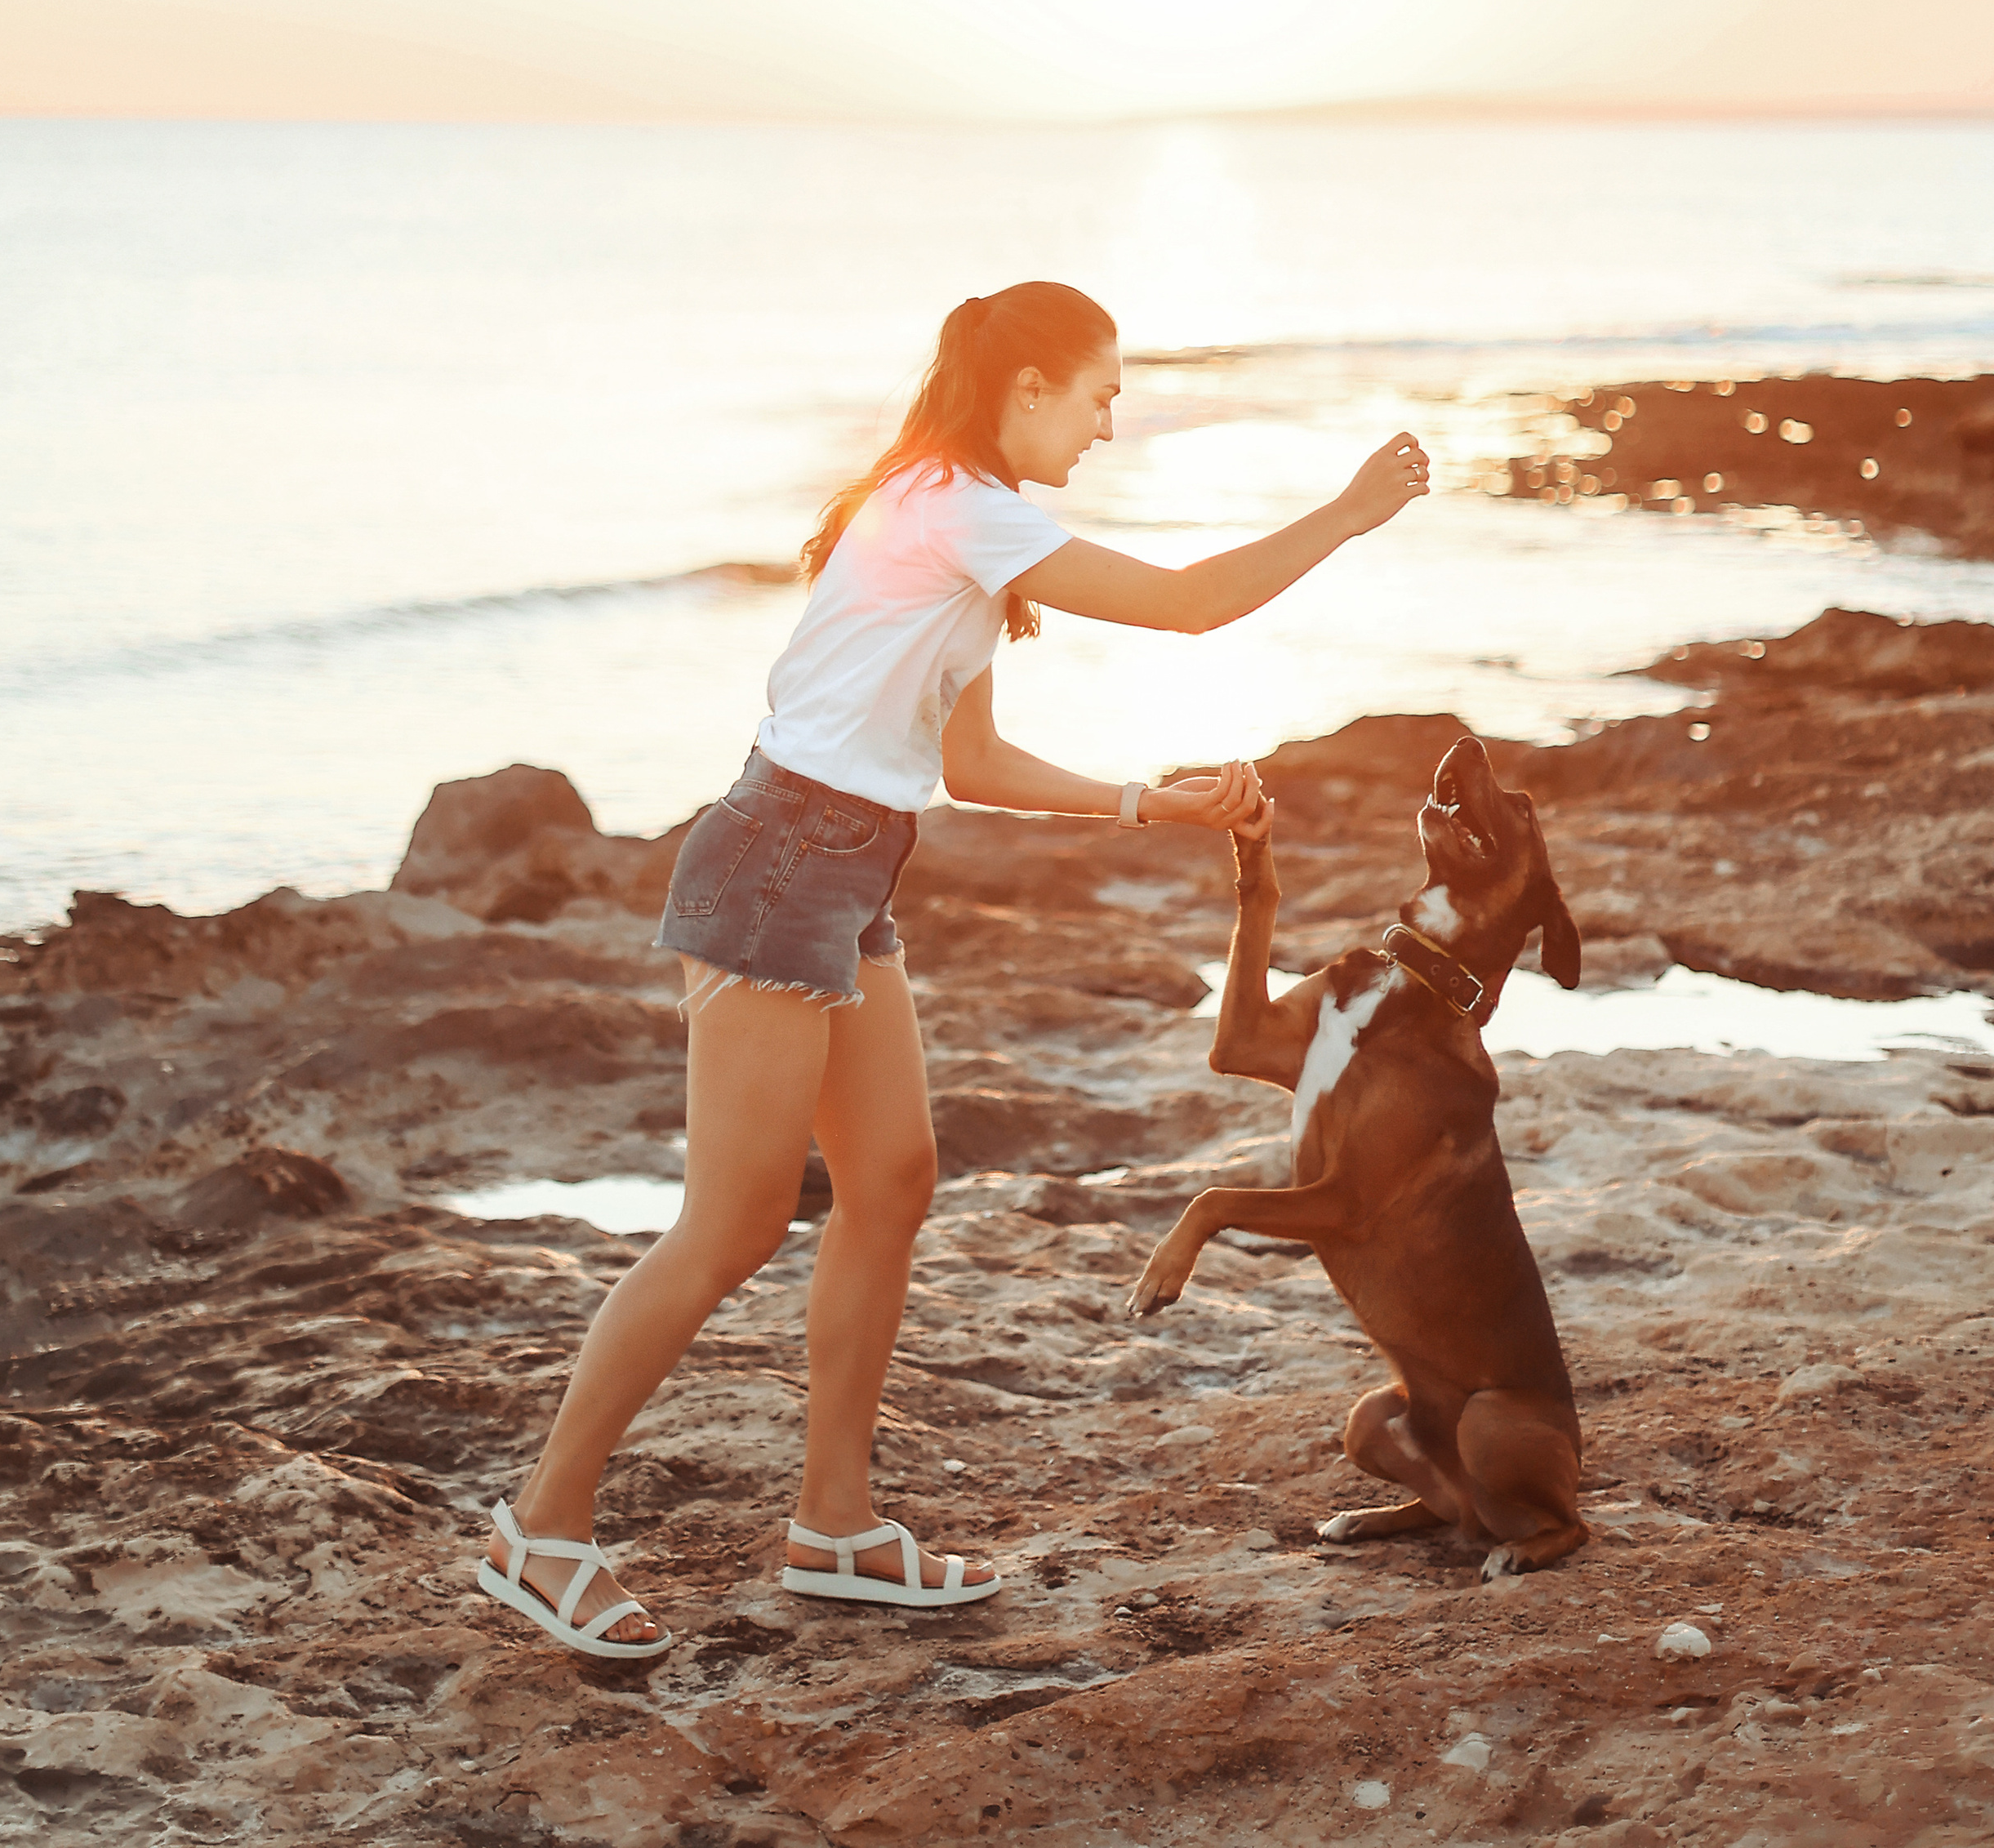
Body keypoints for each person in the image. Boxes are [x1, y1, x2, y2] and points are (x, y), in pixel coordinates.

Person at [477, 281, 1429, 1656]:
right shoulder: (954, 507)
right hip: (779, 863)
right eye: (1100, 393)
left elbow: (967, 762)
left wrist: (1141, 804)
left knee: (894, 1181)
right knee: (733, 1222)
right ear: (1027, 386)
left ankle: (836, 1523)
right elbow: (1182, 605)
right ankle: (541, 1528)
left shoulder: (954, 515)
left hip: (845, 867)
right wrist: (1347, 512)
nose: (1111, 423)